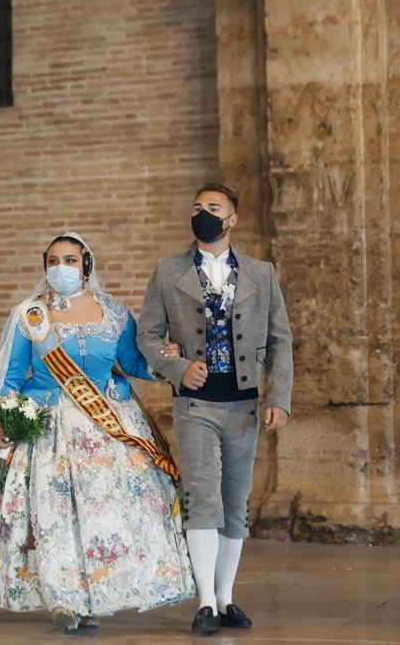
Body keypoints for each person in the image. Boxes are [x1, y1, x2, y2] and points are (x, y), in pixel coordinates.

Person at [0, 232, 195, 632]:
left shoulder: (113, 313)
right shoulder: (30, 315)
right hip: (49, 431)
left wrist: (166, 362)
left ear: (86, 265)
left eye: (71, 260)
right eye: (54, 260)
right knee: (54, 516)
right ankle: (64, 599)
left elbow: (133, 363)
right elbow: (11, 376)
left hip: (109, 428)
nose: (61, 267)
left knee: (106, 514)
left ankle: (101, 592)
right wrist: (2, 420)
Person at [136, 183, 293, 635]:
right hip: (196, 404)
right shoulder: (169, 272)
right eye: (197, 207)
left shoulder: (262, 273)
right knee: (202, 497)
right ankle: (204, 600)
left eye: (213, 207)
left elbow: (281, 340)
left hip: (244, 404)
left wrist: (279, 397)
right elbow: (147, 336)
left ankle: (226, 598)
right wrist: (179, 368)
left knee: (235, 501)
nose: (203, 213)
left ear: (232, 219)